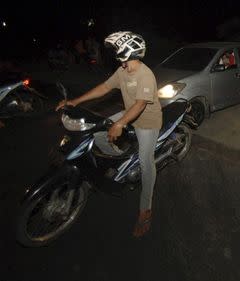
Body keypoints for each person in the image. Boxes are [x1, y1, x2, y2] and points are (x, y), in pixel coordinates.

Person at [56, 31, 162, 237]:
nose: (115, 53)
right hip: (128, 114)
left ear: (126, 51)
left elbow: (140, 105)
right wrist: (75, 101)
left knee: (146, 162)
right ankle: (117, 160)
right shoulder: (123, 70)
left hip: (147, 122)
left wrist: (120, 123)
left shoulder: (145, 74)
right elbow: (104, 87)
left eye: (117, 50)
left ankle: (145, 210)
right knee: (98, 132)